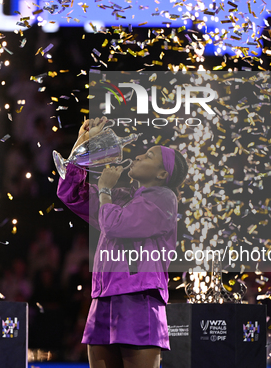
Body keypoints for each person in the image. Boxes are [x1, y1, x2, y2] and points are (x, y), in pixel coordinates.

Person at [57, 116, 188, 368]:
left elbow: (116, 224)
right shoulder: (122, 196)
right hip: (103, 297)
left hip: (138, 298)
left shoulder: (164, 199)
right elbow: (72, 194)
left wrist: (105, 190)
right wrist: (83, 145)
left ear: (162, 174)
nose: (138, 156)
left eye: (149, 156)